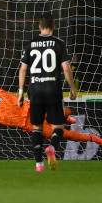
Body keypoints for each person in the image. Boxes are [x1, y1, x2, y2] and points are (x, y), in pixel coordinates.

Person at [18, 12, 78, 172]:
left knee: (37, 127)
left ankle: (38, 164)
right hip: (53, 89)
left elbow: (23, 69)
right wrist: (72, 88)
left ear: (39, 26)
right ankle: (52, 147)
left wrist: (20, 92)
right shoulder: (59, 43)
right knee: (58, 126)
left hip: (35, 91)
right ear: (53, 26)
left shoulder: (30, 43)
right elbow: (66, 68)